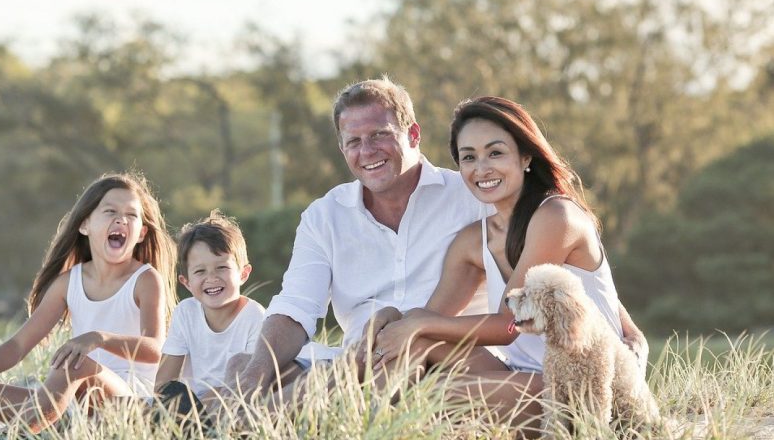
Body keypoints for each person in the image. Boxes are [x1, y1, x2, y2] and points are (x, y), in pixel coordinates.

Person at [370, 96, 647, 424]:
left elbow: (509, 324)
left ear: (526, 156)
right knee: (418, 343)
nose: (482, 168)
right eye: (469, 157)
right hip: (521, 373)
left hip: (582, 386)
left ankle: (384, 419)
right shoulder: (473, 240)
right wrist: (397, 319)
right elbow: (434, 319)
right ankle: (362, 419)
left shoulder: (555, 216)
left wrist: (418, 322)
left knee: (433, 394)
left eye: (495, 152)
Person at [230, 77, 492, 401]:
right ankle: (221, 418)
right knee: (245, 366)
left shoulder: (472, 198)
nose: (367, 151)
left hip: (441, 358)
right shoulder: (324, 216)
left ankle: (237, 422)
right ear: (342, 149)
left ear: (413, 134)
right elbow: (295, 307)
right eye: (353, 141)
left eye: (380, 135)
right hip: (355, 362)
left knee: (292, 387)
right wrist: (254, 377)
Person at [0, 172, 176, 437]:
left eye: (132, 215)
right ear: (84, 225)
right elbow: (19, 345)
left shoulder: (145, 279)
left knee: (75, 363)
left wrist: (99, 338)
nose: (121, 219)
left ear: (141, 233)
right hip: (69, 405)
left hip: (131, 403)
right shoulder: (69, 282)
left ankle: (15, 435)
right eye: (110, 210)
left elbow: (155, 349)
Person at [155, 210, 265, 400]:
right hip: (192, 406)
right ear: (187, 282)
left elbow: (251, 385)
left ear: (243, 274)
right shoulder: (186, 313)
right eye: (200, 271)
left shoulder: (255, 317)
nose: (211, 278)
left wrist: (206, 403)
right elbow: (163, 382)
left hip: (235, 403)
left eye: (222, 267)